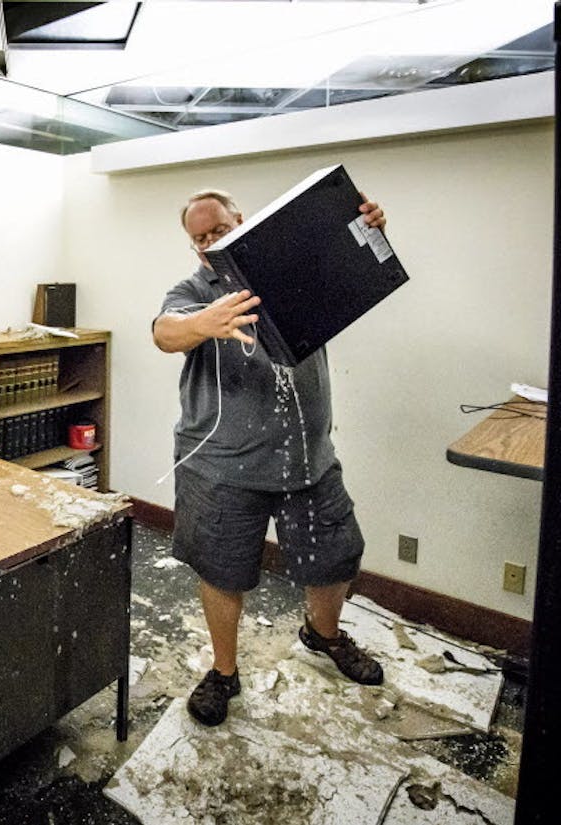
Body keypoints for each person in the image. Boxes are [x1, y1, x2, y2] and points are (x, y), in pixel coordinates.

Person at [151, 186, 388, 727]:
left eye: (219, 228)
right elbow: (164, 332)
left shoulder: (296, 270)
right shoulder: (196, 289)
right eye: (200, 238)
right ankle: (224, 672)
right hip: (221, 464)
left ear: (244, 220)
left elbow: (360, 266)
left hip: (307, 457)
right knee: (222, 570)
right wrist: (200, 325)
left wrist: (367, 230)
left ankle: (323, 635)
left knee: (335, 556)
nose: (212, 242)